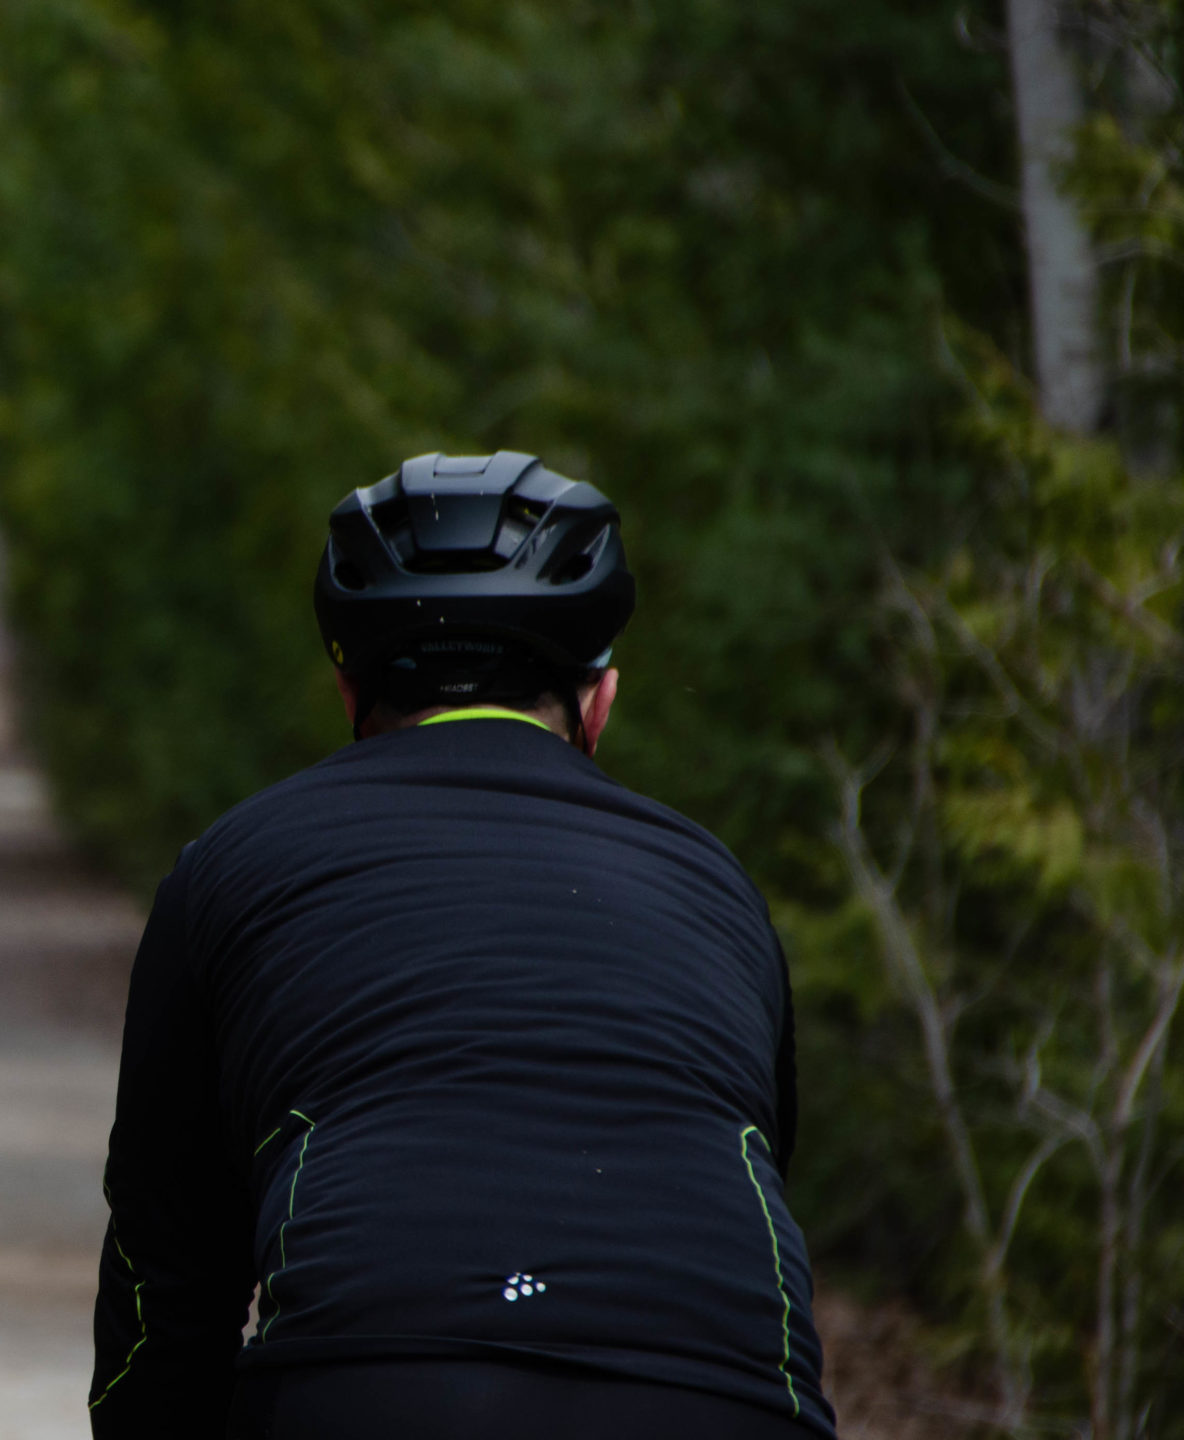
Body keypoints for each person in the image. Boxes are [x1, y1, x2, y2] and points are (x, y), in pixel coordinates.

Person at [88, 452, 833, 1439]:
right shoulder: (716, 887)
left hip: (373, 1388)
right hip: (721, 1398)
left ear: (349, 694)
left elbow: (165, 1281)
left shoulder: (228, 867)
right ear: (598, 705)